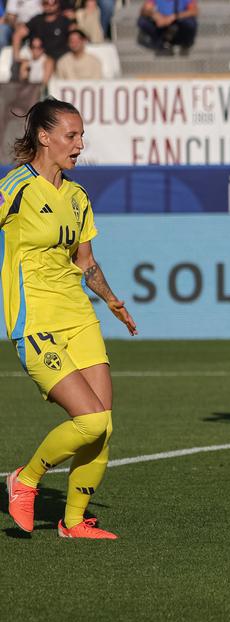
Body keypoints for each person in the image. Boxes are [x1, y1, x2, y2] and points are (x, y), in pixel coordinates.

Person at [2, 98, 138, 539]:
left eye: (81, 136)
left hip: (79, 316)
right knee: (90, 420)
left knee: (104, 427)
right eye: (71, 136)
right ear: (44, 137)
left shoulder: (77, 196)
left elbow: (86, 261)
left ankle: (74, 521)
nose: (80, 145)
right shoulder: (15, 187)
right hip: (36, 321)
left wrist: (113, 300)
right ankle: (25, 479)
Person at [11, 0, 73, 67]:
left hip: (61, 59)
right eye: (46, 3)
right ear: (42, 4)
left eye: (53, 2)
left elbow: (75, 37)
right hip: (39, 60)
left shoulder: (65, 21)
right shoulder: (36, 20)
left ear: (58, 4)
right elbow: (17, 35)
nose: (49, 6)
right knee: (24, 66)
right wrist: (17, 57)